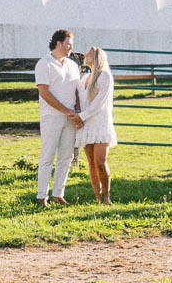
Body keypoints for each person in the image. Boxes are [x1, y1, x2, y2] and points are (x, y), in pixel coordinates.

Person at [34, 29, 82, 207]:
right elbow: (44, 92)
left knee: (66, 156)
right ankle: (41, 196)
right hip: (51, 115)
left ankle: (58, 193)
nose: (70, 48)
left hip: (70, 116)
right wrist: (64, 110)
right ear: (59, 43)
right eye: (68, 44)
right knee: (48, 155)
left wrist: (77, 110)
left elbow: (77, 90)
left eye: (72, 45)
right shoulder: (44, 63)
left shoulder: (71, 65)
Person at [75, 46, 117, 204]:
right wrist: (77, 114)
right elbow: (79, 99)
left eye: (90, 54)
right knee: (91, 162)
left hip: (99, 122)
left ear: (98, 57)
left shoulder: (105, 76)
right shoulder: (84, 77)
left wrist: (81, 116)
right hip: (86, 123)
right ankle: (97, 197)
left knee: (100, 161)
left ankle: (107, 196)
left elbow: (100, 102)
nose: (86, 55)